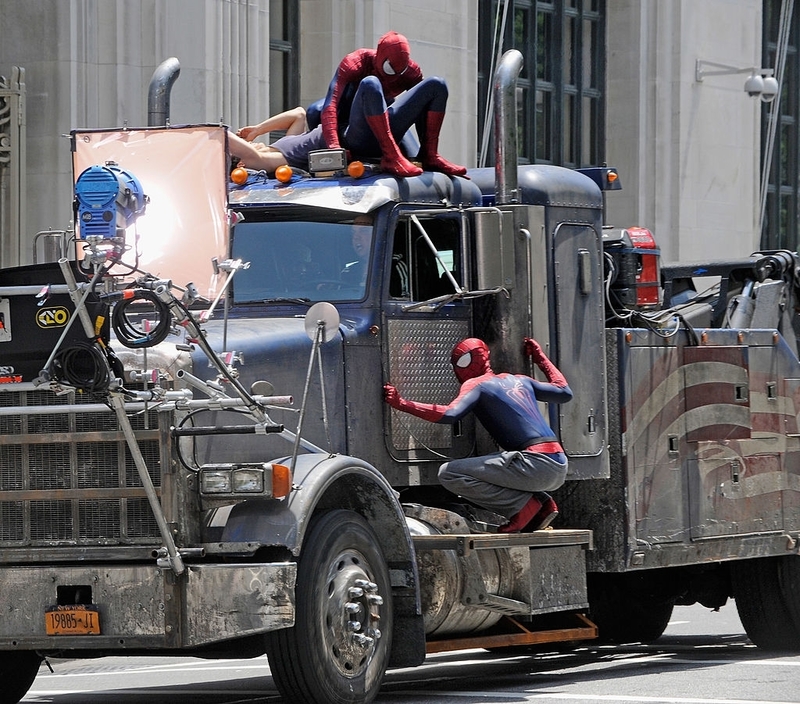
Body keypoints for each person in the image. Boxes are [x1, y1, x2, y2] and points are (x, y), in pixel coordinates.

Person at [383, 337, 572, 532]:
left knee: (449, 473)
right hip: (558, 463)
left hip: (534, 463)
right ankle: (543, 503)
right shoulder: (520, 380)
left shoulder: (477, 384)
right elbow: (564, 391)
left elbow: (450, 414)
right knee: (492, 464)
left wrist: (402, 404)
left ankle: (523, 507)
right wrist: (540, 357)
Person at [315, 30, 466, 178]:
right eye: (389, 68)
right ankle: (391, 156)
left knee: (437, 84)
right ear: (380, 56)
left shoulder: (411, 72)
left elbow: (421, 109)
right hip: (355, 134)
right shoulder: (355, 63)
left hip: (385, 128)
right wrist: (335, 148)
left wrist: (425, 149)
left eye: (401, 70)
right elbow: (331, 105)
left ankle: (430, 154)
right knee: (370, 83)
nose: (394, 77)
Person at [229, 106, 326, 174]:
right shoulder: (262, 161)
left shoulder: (280, 145)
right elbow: (226, 136)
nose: (248, 142)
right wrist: (216, 130)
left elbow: (298, 114)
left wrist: (257, 130)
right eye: (244, 143)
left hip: (328, 128)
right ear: (241, 163)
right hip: (330, 138)